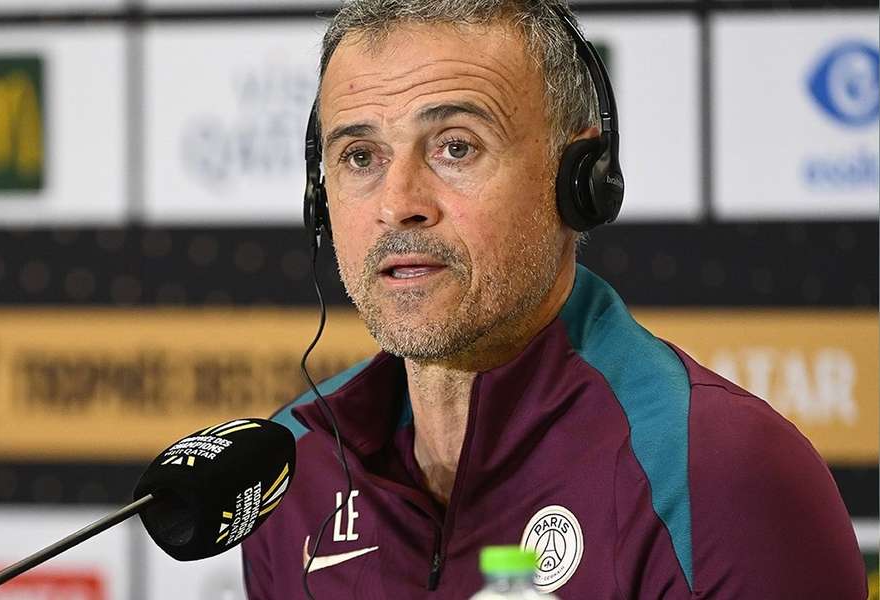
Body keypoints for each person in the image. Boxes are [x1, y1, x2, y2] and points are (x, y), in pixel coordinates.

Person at [242, 0, 867, 597]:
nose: (397, 202)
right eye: (360, 156)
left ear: (579, 179)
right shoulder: (292, 466)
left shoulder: (716, 476)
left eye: (455, 147)